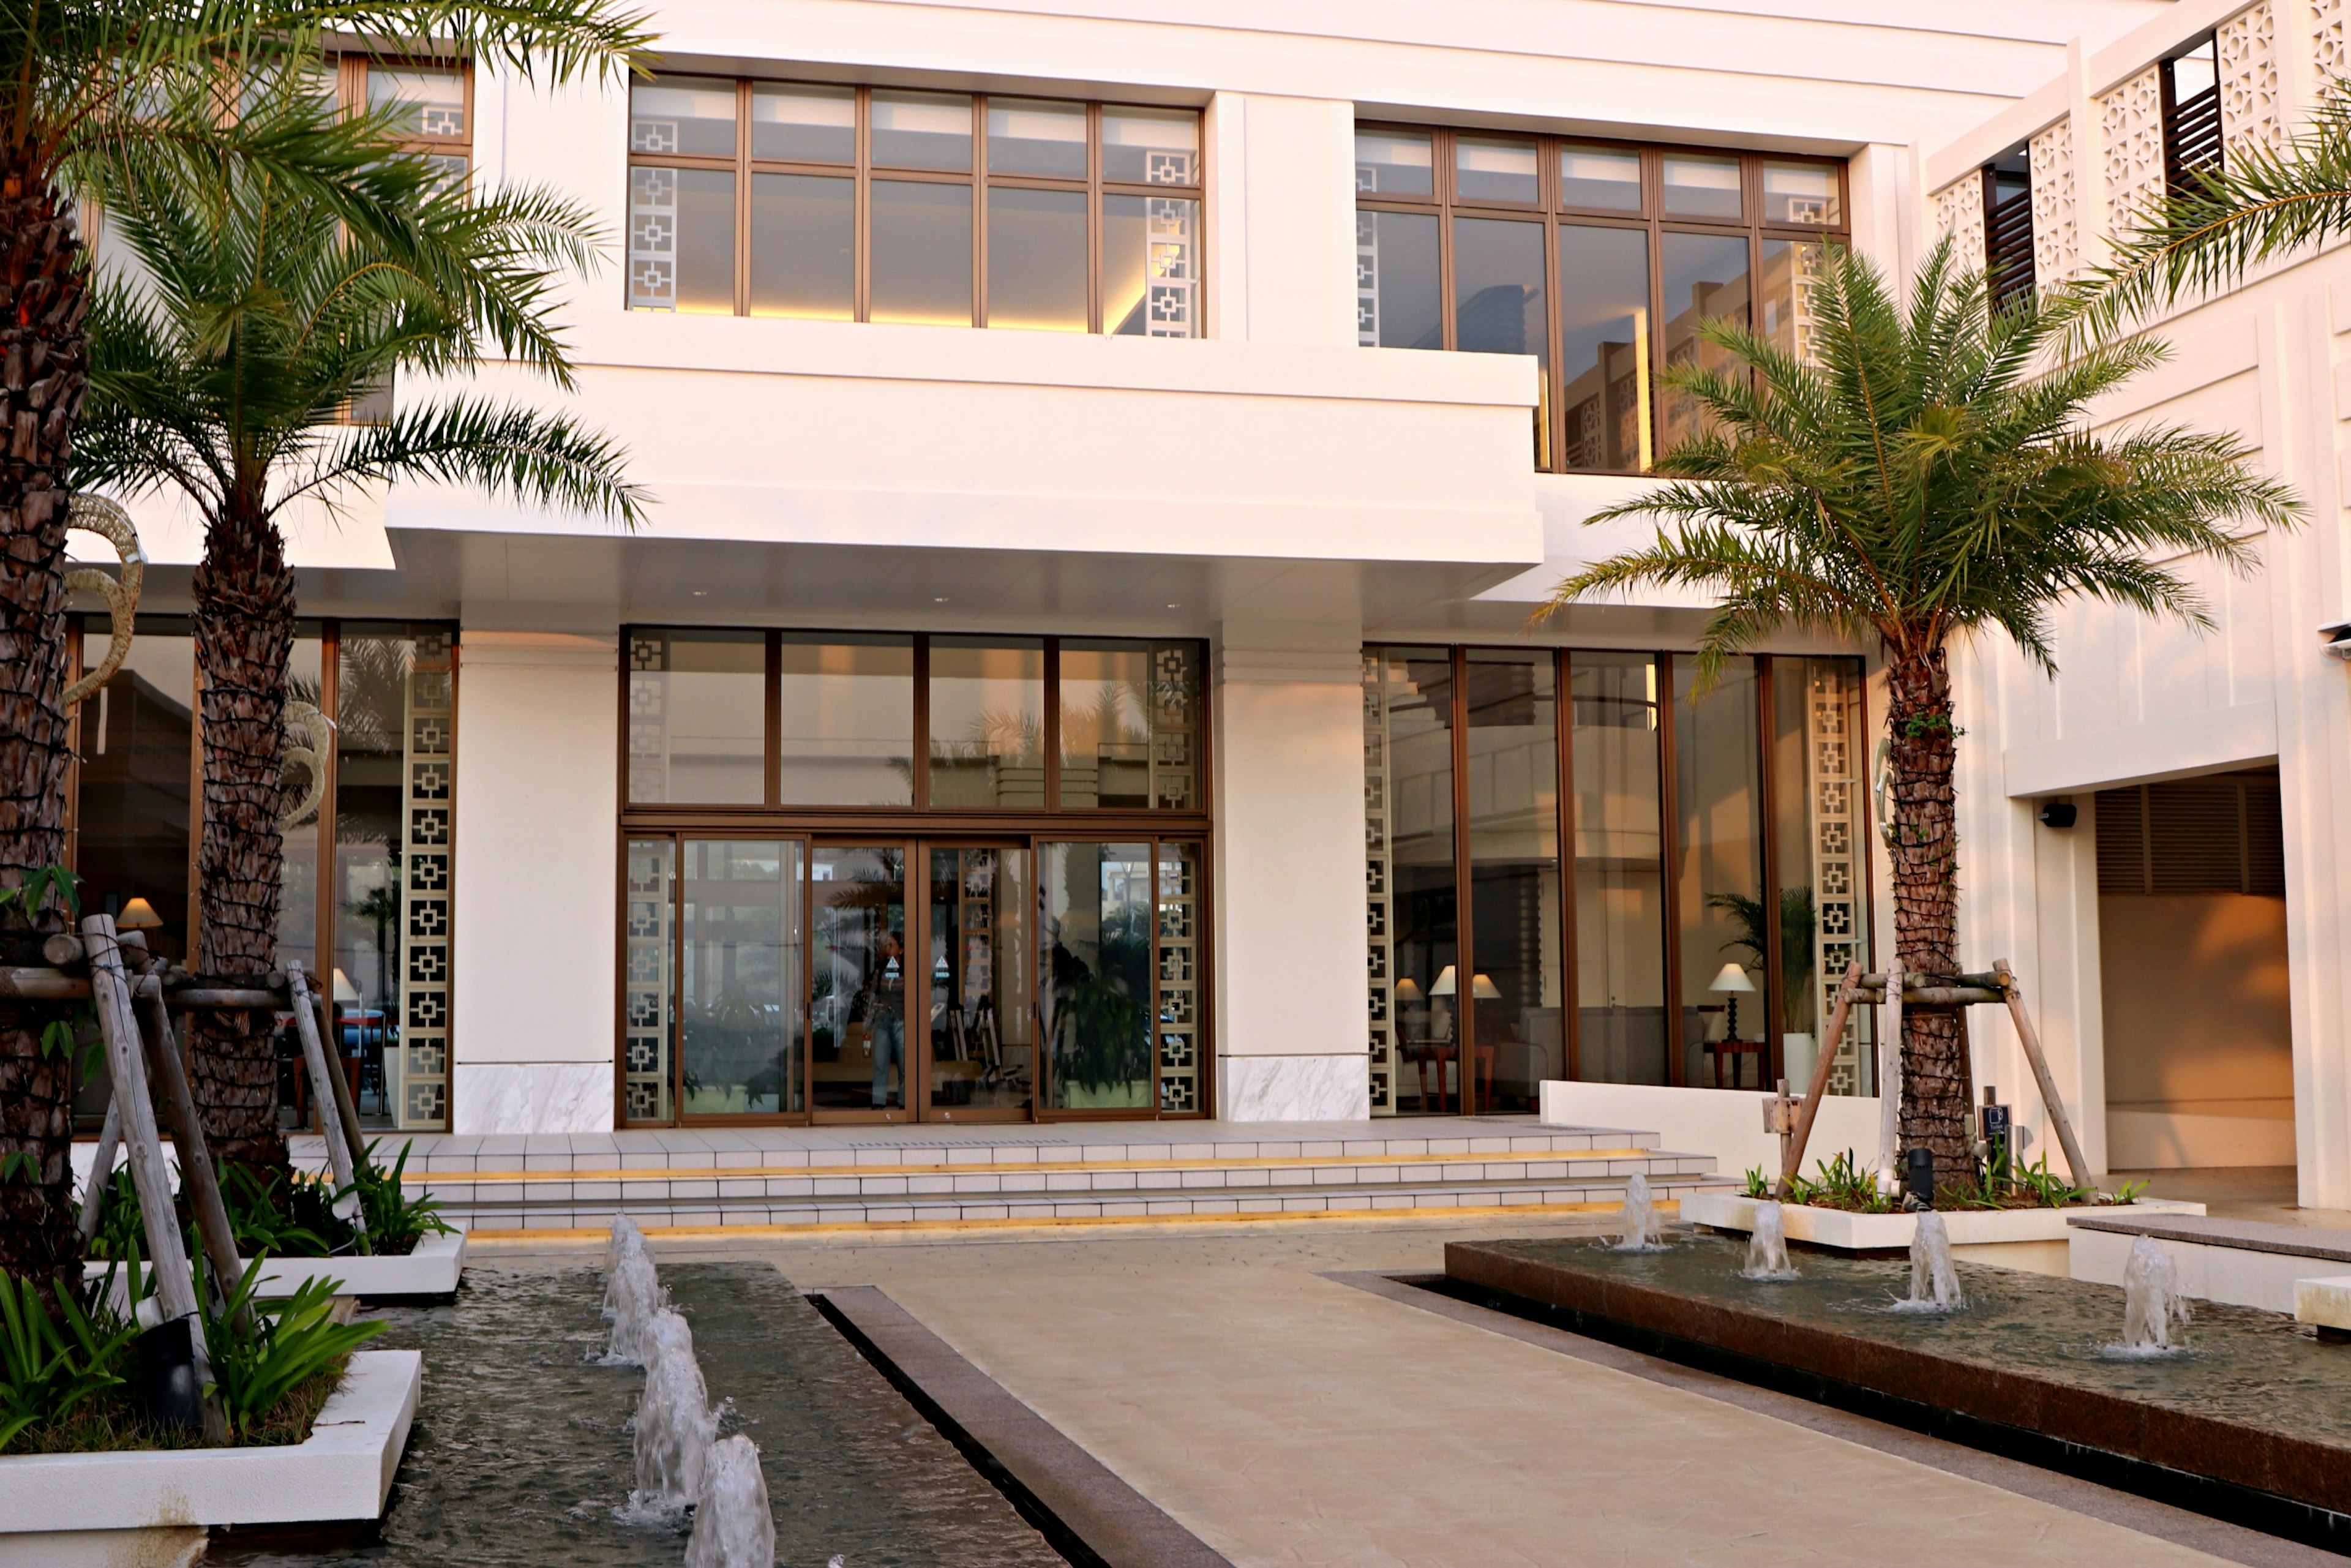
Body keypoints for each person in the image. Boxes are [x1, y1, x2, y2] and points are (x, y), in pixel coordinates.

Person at [869, 928, 905, 1109]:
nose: (888, 949)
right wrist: (869, 1024)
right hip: (883, 1021)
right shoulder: (881, 971)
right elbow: (874, 997)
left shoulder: (908, 971)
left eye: (892, 945)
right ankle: (878, 1103)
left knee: (904, 1064)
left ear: (901, 950)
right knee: (880, 1063)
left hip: (902, 1020)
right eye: (886, 945)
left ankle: (906, 1104)